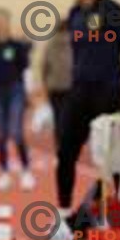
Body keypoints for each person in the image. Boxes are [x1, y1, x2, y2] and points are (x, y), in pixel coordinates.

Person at [50, 0, 120, 240]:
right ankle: (63, 217)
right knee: (65, 152)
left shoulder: (112, 10)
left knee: (110, 160)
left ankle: (103, 217)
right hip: (80, 91)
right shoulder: (74, 14)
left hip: (109, 91)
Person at [0, 8, 35, 192]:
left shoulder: (17, 45)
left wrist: (28, 93)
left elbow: (26, 68)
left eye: (2, 20)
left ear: (7, 22)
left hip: (16, 91)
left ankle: (26, 171)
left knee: (16, 132)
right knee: (0, 135)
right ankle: (4, 173)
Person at [41, 20, 72, 150]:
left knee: (58, 117)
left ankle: (60, 145)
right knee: (68, 118)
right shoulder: (74, 43)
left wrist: (45, 83)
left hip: (54, 87)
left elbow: (44, 67)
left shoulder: (50, 45)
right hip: (70, 87)